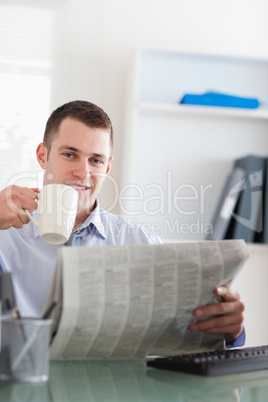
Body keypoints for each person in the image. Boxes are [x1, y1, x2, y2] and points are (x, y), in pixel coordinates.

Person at [0, 100, 245, 347]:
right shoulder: (4, 234)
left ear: (107, 167)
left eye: (95, 160)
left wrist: (230, 332)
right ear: (43, 156)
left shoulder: (141, 245)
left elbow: (181, 337)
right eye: (69, 154)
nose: (82, 172)